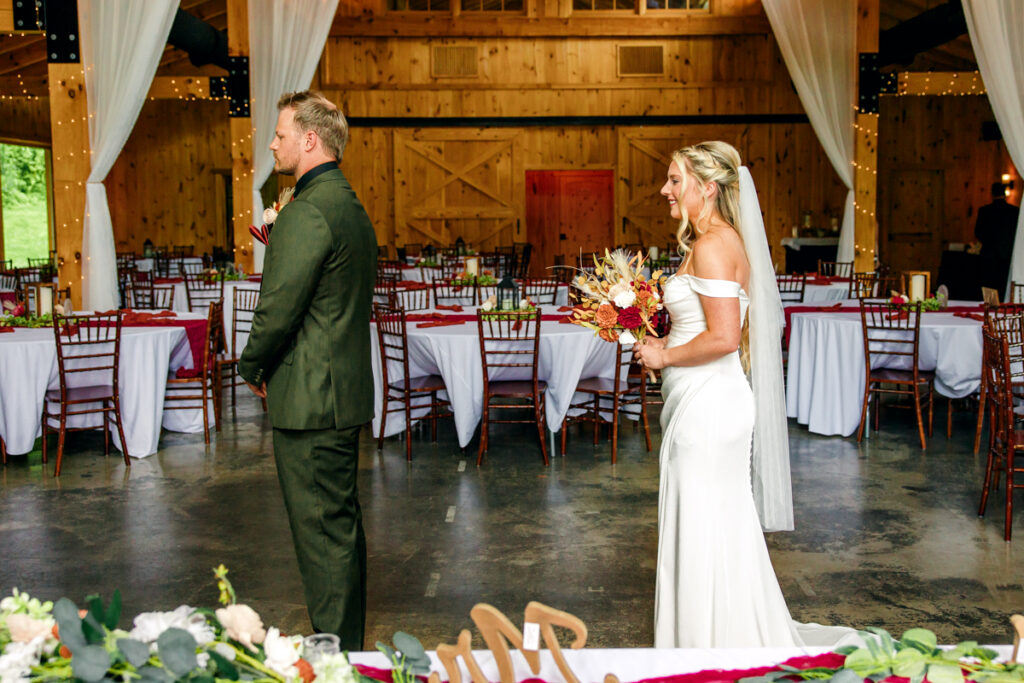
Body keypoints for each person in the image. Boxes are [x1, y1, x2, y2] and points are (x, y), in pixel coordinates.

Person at [634, 142, 854, 648]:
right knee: (715, 520)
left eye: (674, 180)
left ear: (706, 188)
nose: (665, 189)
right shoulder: (714, 240)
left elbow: (725, 338)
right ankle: (717, 638)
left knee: (706, 521)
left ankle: (706, 647)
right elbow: (703, 327)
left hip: (710, 404)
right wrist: (661, 342)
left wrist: (664, 357)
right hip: (705, 397)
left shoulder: (712, 245)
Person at [238, 91, 377, 650]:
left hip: (311, 398)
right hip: (339, 392)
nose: (272, 143)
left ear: (309, 139)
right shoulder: (349, 205)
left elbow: (277, 308)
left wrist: (251, 366)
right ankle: (344, 645)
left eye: (279, 133)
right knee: (338, 530)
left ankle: (334, 654)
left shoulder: (307, 211)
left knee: (320, 535)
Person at [975, 184, 1020, 295]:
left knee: (989, 284)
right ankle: (1004, 307)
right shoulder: (1014, 211)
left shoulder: (984, 211)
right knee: (1004, 284)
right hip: (1007, 254)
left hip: (989, 253)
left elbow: (978, 232)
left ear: (992, 194)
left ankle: (989, 306)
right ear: (1004, 194)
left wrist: (989, 242)